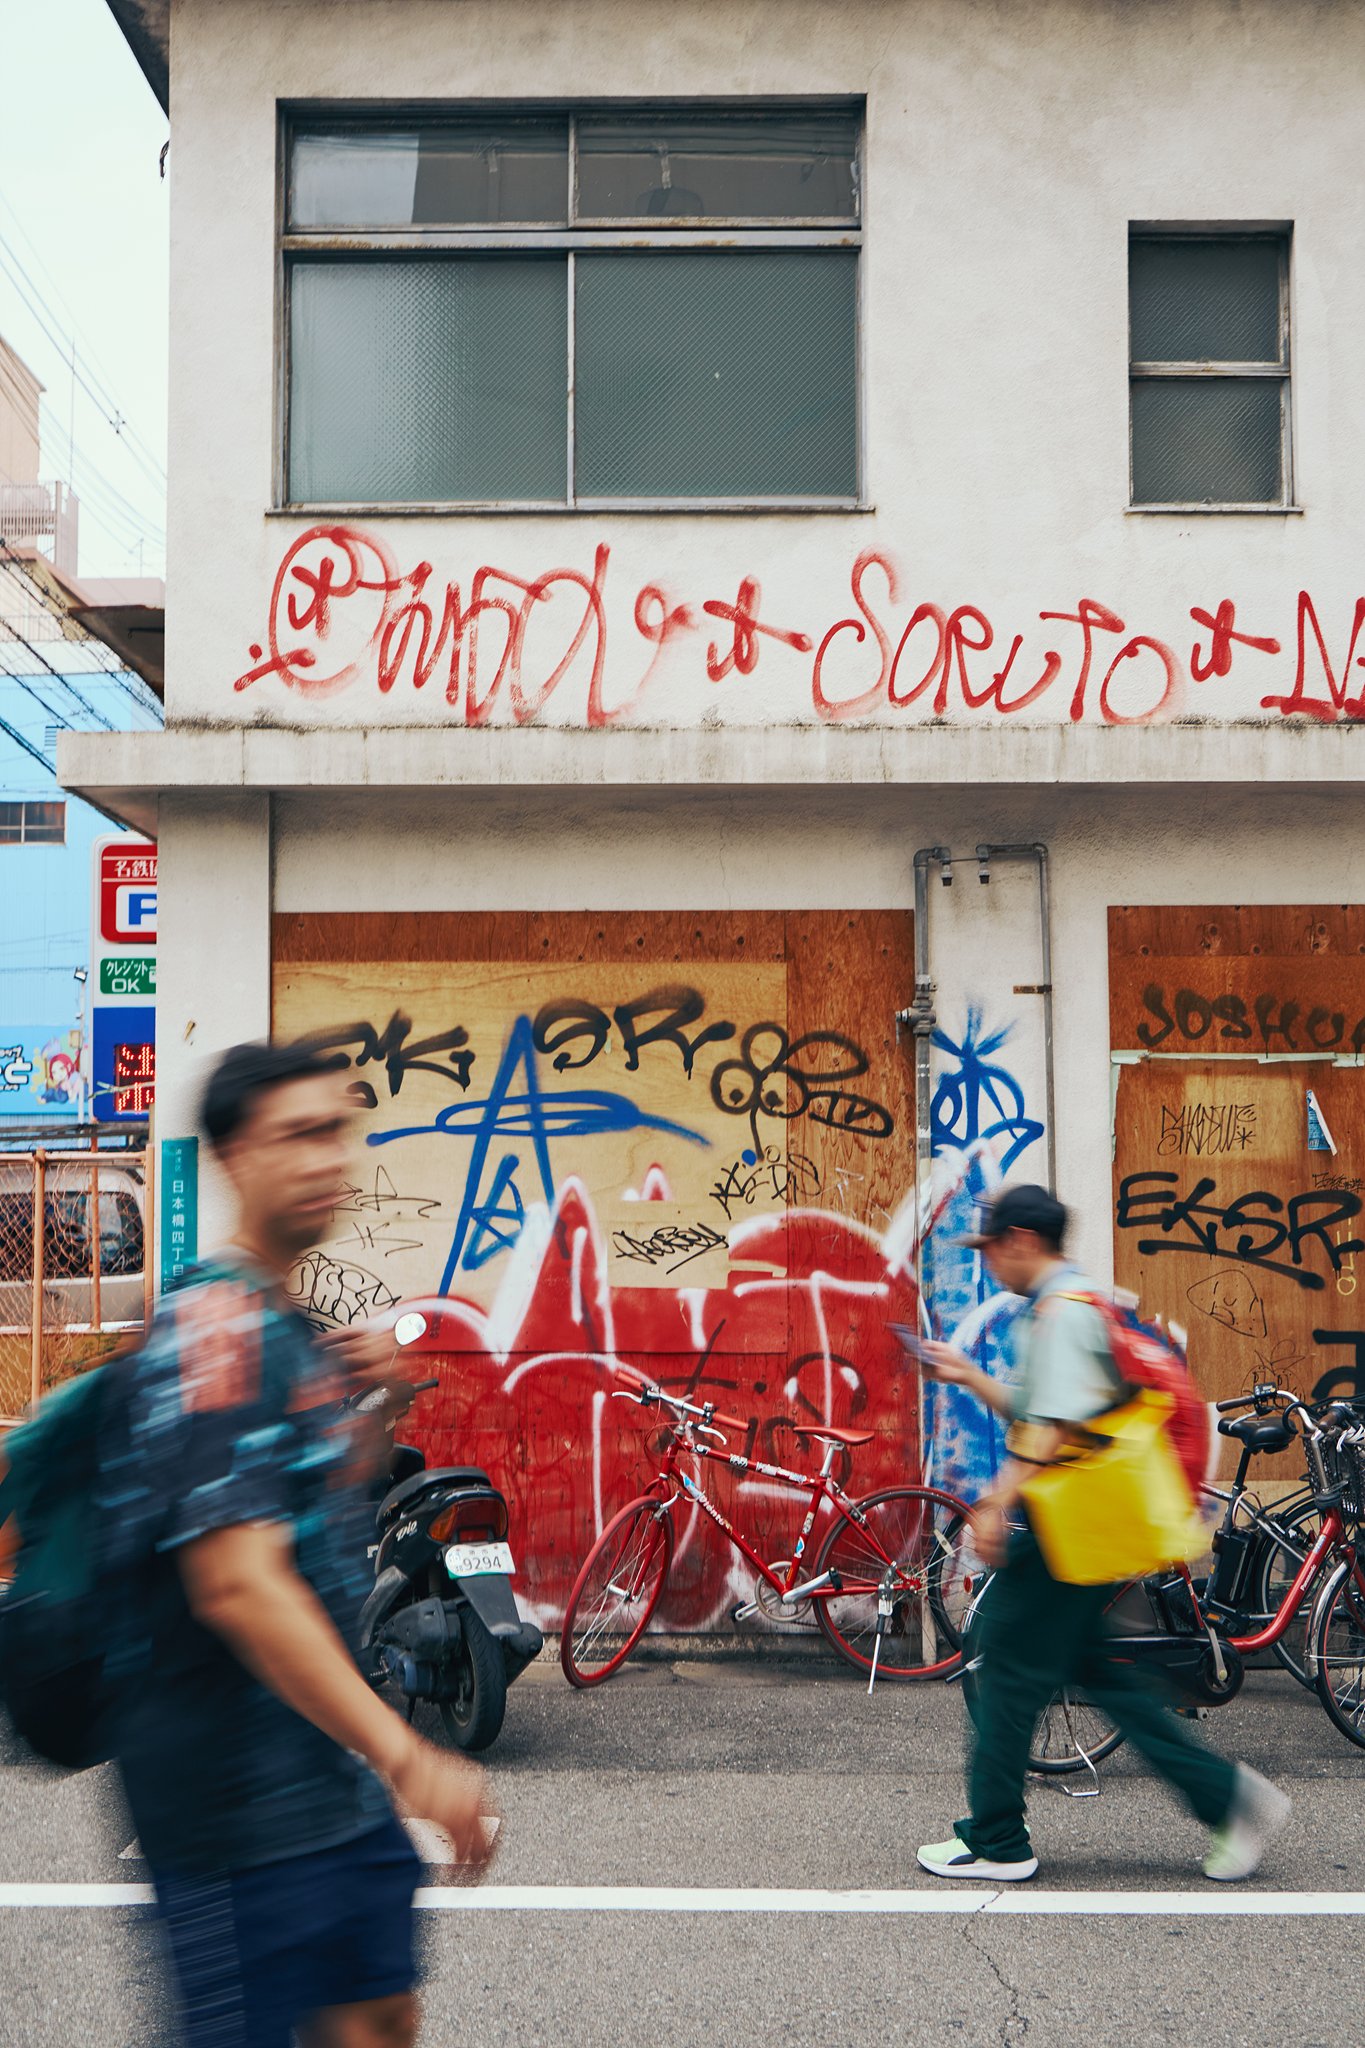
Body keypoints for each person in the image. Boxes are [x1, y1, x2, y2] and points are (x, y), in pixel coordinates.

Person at [103, 1041, 497, 2047]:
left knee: (379, 2014)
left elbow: (321, 1511)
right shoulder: (214, 1329)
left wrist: (375, 1407)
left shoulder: (287, 1327)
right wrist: (406, 1755)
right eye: (298, 1134)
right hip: (232, 1810)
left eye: (336, 1131)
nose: (329, 1157)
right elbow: (238, 1582)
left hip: (324, 1784)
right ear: (234, 1157)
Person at [915, 1183, 1290, 1885]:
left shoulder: (1062, 1315)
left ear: (1022, 1240)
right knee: (1098, 1674)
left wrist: (995, 1505)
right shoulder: (1071, 1305)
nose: (989, 1262)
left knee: (998, 1667)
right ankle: (1228, 1801)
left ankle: (997, 1840)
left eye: (992, 1248)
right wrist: (967, 1376)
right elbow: (1040, 1414)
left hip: (1060, 1527)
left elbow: (1050, 1435)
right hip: (1081, 1526)